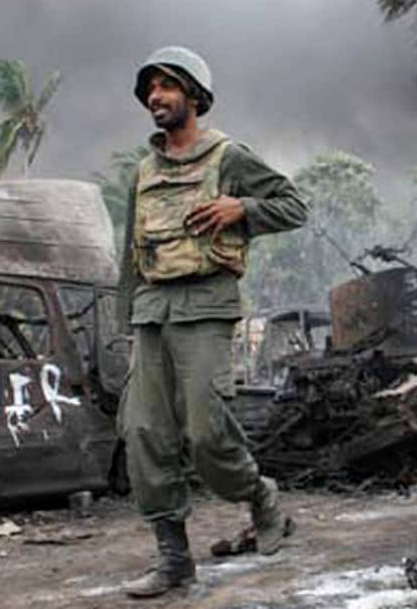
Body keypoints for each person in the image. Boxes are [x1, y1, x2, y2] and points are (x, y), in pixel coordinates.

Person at [116, 46, 308, 598]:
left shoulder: (228, 157)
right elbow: (130, 254)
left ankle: (259, 494)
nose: (156, 97)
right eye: (150, 89)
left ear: (194, 96)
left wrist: (241, 209)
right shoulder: (143, 172)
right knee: (143, 432)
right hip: (151, 313)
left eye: (167, 86)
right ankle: (174, 558)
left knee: (206, 434)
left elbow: (294, 206)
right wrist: (124, 326)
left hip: (204, 306)